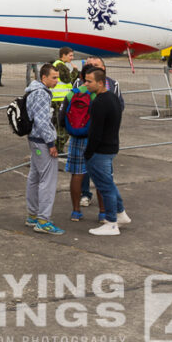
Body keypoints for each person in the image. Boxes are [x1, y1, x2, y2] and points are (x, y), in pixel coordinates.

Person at [71, 57, 123, 210]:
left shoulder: (111, 88)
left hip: (101, 142)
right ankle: (86, 196)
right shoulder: (79, 85)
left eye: (96, 65)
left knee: (105, 180)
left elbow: (119, 107)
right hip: (89, 136)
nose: (92, 67)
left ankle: (110, 215)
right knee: (86, 175)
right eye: (89, 65)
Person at [84, 68, 131, 236]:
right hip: (110, 147)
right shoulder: (113, 98)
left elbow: (95, 132)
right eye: (85, 80)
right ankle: (120, 214)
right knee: (108, 184)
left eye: (89, 81)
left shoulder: (99, 102)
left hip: (101, 150)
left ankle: (111, 223)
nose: (86, 84)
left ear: (100, 82)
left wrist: (88, 153)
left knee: (105, 187)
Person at [24, 64, 64, 235]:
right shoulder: (41, 93)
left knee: (35, 176)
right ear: (44, 77)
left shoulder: (32, 90)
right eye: (54, 77)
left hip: (34, 140)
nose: (56, 81)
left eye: (57, 77)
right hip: (41, 141)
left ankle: (32, 214)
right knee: (48, 180)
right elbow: (41, 121)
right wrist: (51, 144)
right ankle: (43, 220)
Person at [52, 47, 79, 150]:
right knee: (62, 127)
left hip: (57, 99)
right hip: (60, 100)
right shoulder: (60, 65)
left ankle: (55, 147)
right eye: (70, 55)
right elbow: (68, 80)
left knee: (56, 125)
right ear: (63, 55)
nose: (72, 58)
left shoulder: (58, 64)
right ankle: (58, 148)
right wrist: (75, 71)